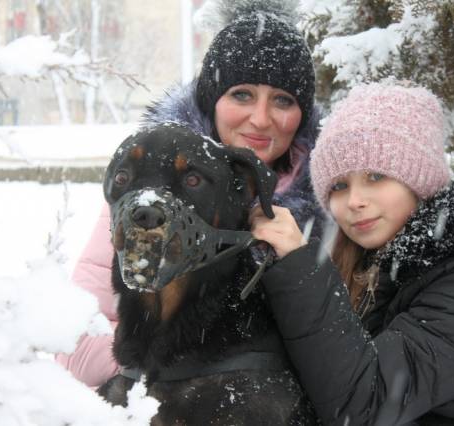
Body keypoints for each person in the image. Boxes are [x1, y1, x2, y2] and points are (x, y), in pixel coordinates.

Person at [250, 82, 454, 425]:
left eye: (376, 176)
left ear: (419, 181)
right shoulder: (375, 270)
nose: (354, 200)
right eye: (339, 185)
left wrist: (299, 268)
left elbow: (366, 403)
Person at [56, 1, 323, 387]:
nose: (261, 118)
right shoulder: (145, 194)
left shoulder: (336, 199)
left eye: (283, 100)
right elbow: (75, 348)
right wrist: (180, 370)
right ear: (213, 99)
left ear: (303, 113)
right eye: (242, 94)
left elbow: (338, 361)